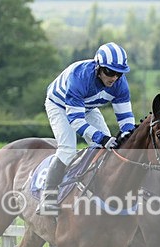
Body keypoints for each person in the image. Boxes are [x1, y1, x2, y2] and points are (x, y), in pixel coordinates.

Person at [37, 42, 136, 214]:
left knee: (107, 151)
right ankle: (48, 197)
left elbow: (126, 119)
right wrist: (102, 138)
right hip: (59, 105)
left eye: (119, 73)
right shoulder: (80, 76)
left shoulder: (120, 84)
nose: (114, 78)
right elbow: (76, 121)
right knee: (68, 149)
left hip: (88, 107)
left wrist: (128, 136)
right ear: (98, 68)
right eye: (109, 72)